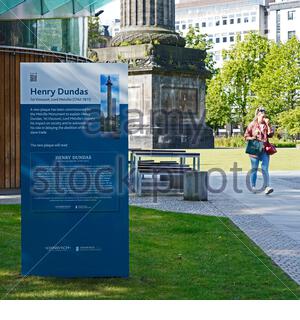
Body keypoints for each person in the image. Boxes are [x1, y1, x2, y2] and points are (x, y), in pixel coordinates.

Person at [244, 107, 274, 195]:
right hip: (254, 150)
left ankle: (267, 187)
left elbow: (271, 135)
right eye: (261, 115)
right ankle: (253, 186)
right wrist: (253, 137)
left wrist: (268, 125)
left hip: (264, 150)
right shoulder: (252, 124)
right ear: (257, 115)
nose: (263, 117)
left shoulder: (266, 124)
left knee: (265, 169)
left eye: (264, 115)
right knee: (254, 169)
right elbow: (245, 136)